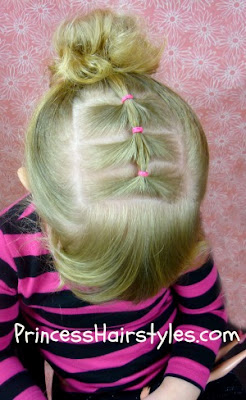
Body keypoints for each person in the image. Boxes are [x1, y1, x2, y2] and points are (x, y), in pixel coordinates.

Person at [0, 8, 245, 400]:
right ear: (31, 185)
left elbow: (204, 315)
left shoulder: (170, 218)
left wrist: (179, 387)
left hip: (175, 370)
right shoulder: (9, 249)